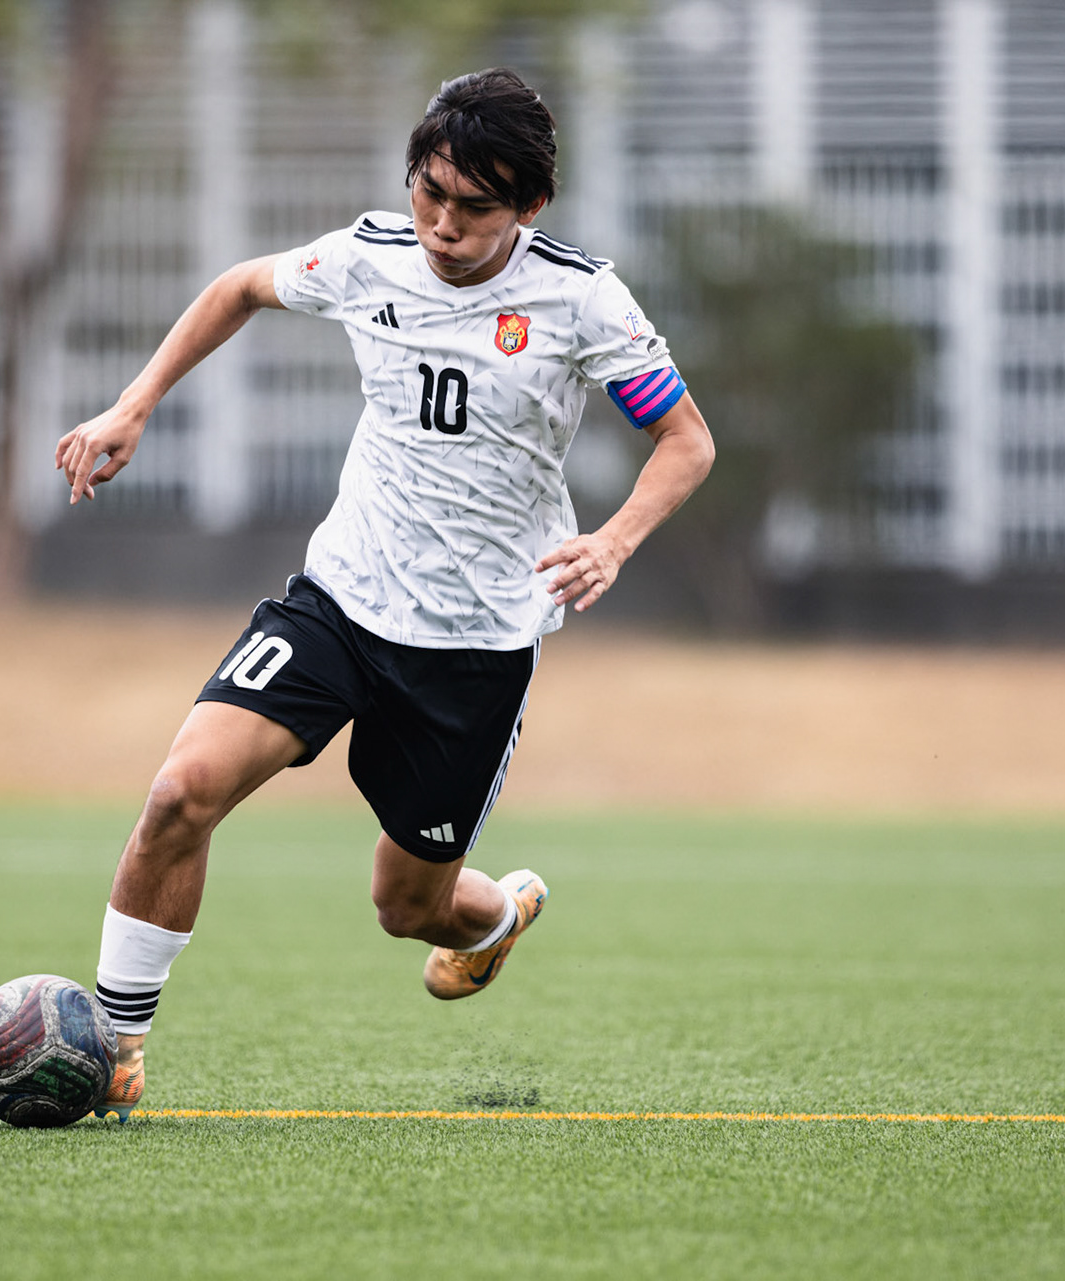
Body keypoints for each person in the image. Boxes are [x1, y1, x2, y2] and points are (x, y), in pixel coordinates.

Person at [55, 67, 714, 1121]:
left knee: (407, 908)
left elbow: (686, 441)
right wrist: (135, 405)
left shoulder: (582, 300)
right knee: (182, 792)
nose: (444, 225)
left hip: (472, 649)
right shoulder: (367, 258)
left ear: (529, 207)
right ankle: (114, 1049)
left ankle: (493, 918)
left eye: (474, 207)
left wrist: (616, 541)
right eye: (429, 194)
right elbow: (237, 287)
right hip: (340, 605)